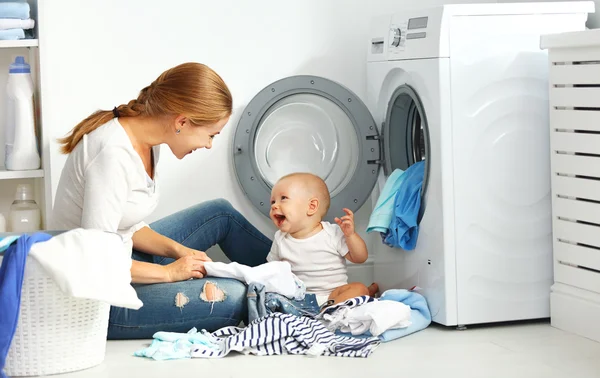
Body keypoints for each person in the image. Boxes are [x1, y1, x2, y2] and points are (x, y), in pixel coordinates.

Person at [51, 62, 273, 339]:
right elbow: (98, 259)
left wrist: (179, 251)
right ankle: (286, 296)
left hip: (122, 257)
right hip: (96, 295)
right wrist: (168, 273)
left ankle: (299, 274)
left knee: (220, 214)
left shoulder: (147, 141)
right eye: (211, 135)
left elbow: (126, 224)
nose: (209, 145)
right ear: (181, 121)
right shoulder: (112, 154)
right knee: (235, 296)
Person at [266, 172, 378, 310]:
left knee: (358, 289)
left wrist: (350, 235)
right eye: (273, 201)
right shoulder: (280, 238)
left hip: (333, 295)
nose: (274, 206)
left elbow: (360, 258)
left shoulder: (332, 233)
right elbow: (272, 271)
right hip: (298, 298)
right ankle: (331, 310)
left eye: (283, 198)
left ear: (311, 207)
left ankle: (329, 309)